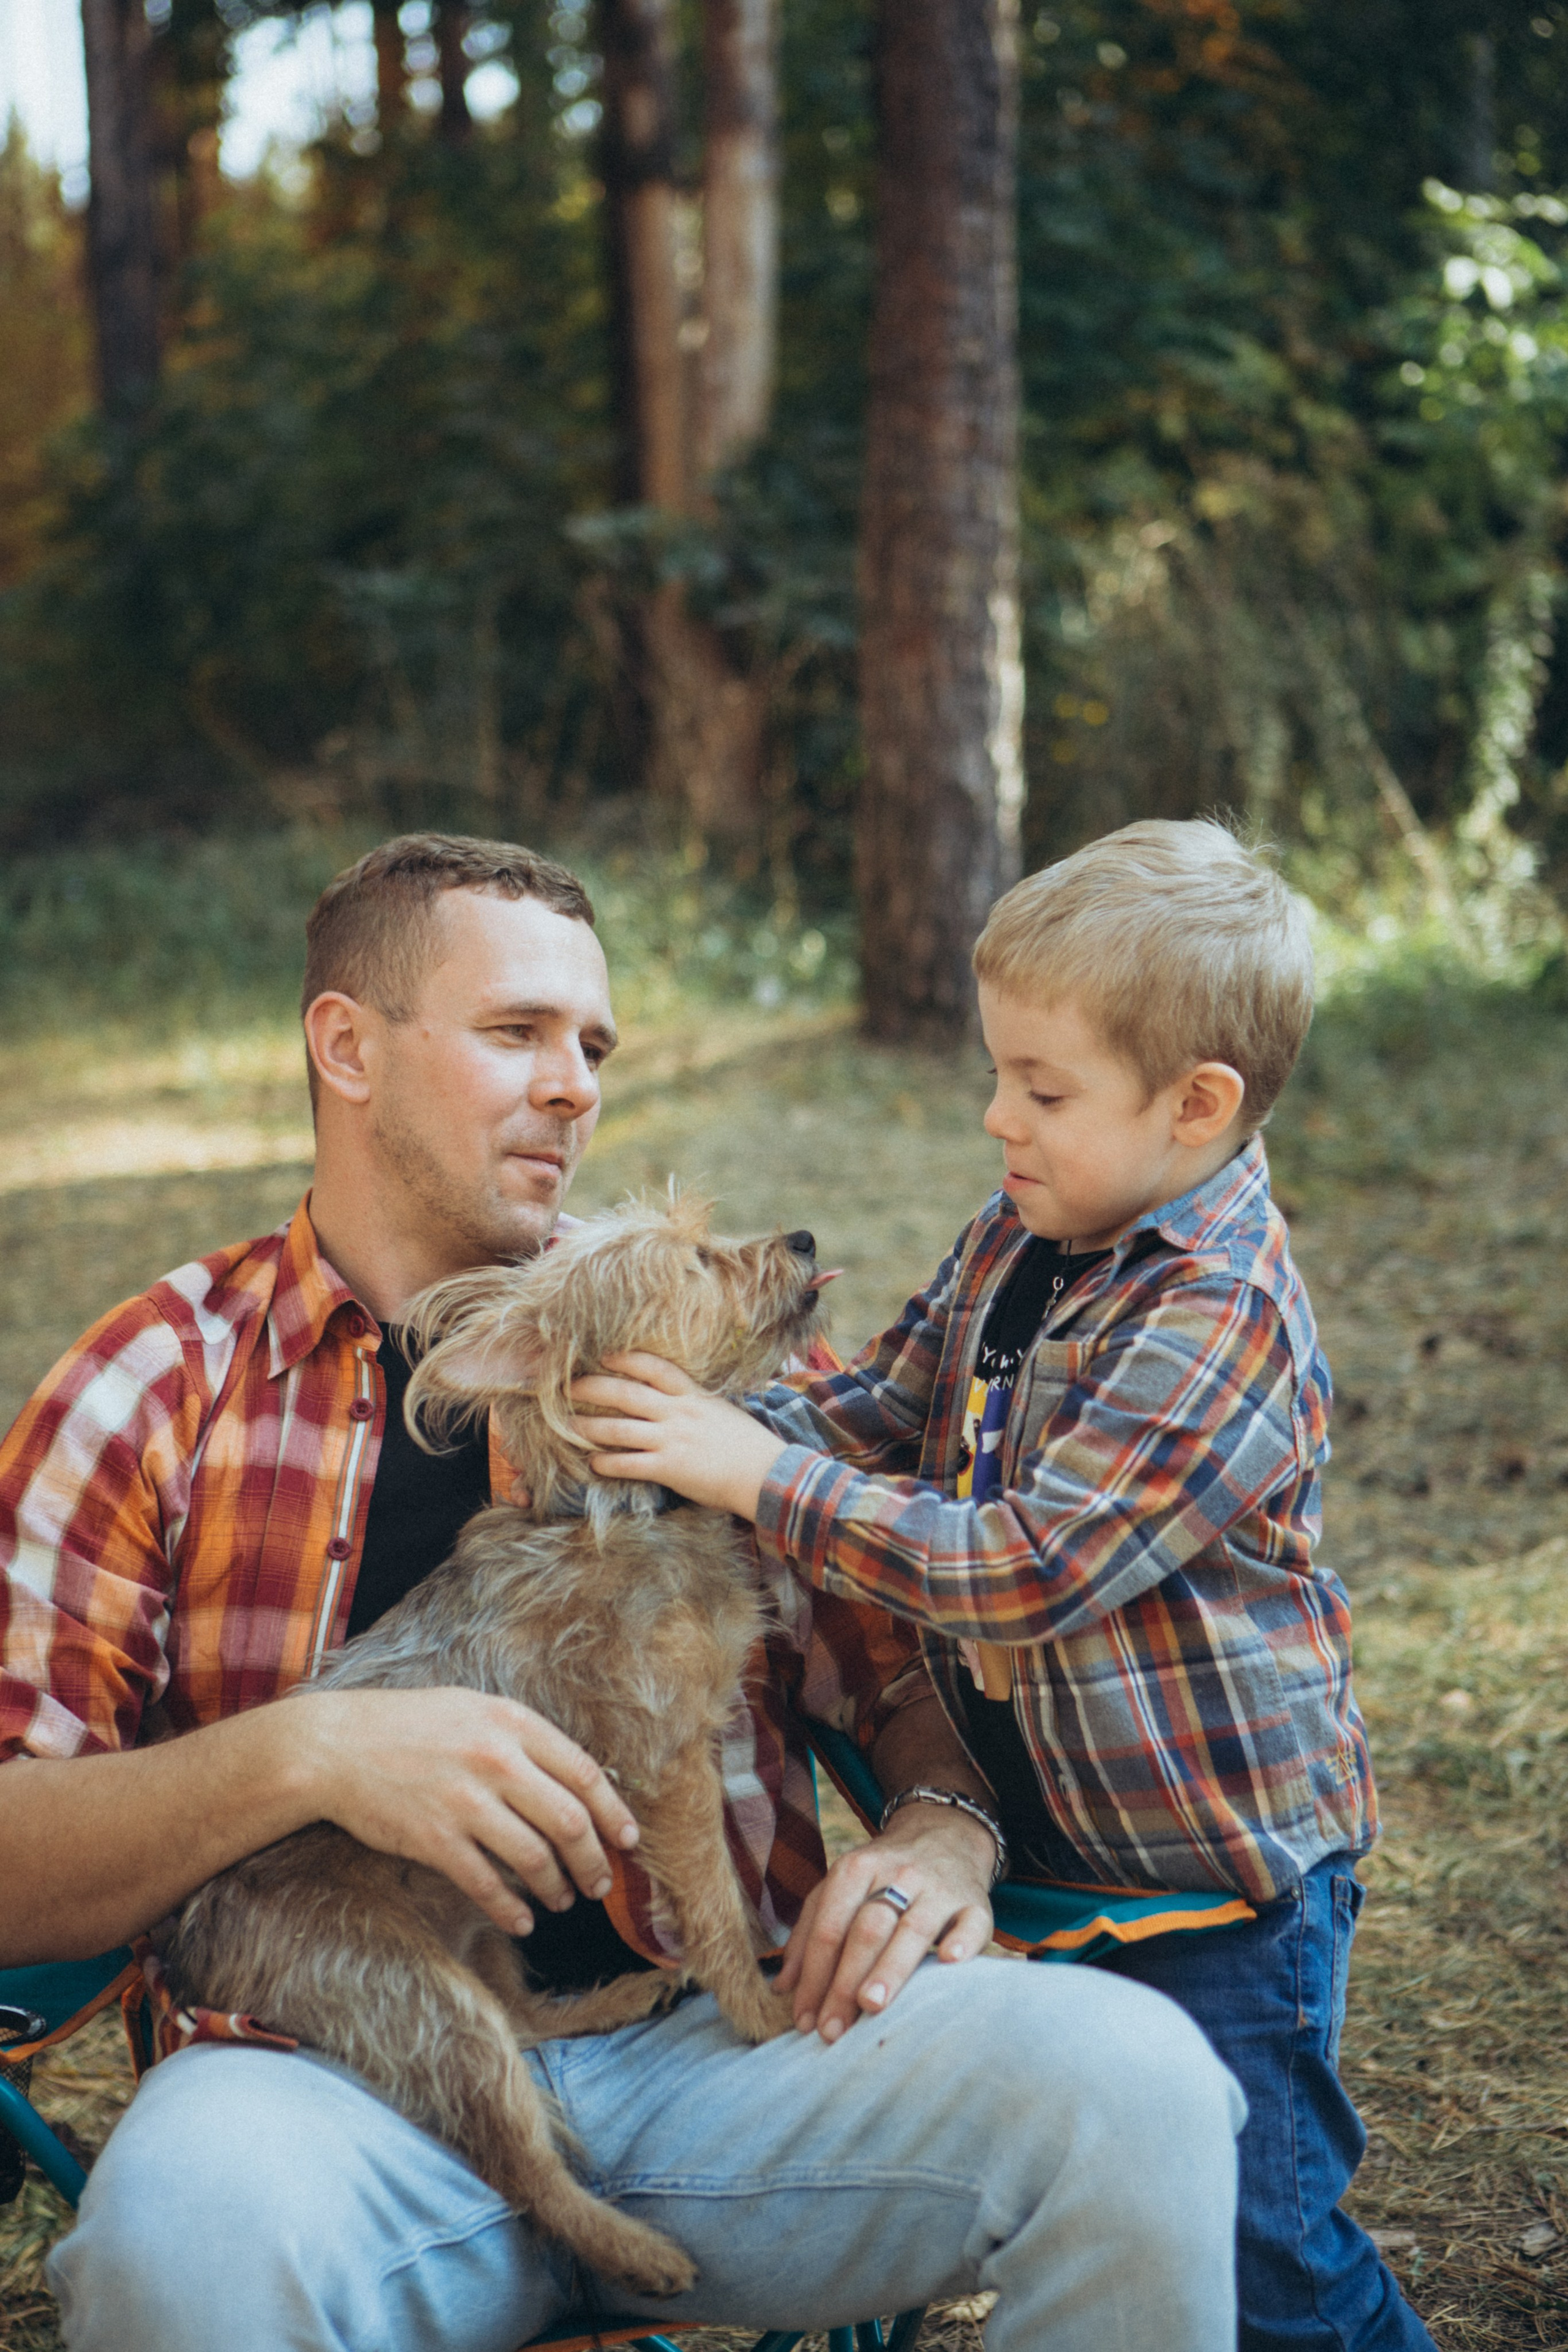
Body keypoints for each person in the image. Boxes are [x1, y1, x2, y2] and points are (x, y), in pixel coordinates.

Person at [0, 832, 1244, 2352]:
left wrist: (942, 1835)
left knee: (1146, 2089)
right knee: (176, 2236)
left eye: (592, 1045)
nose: (576, 1083)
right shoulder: (159, 1384)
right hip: (338, 2085)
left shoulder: (689, 1337)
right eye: (515, 1033)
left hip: (729, 2050)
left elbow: (906, 1673)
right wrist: (301, 1753)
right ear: (346, 1048)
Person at [571, 819, 1438, 2352]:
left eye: (1040, 1091)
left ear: (1196, 1106)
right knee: (1118, 2187)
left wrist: (753, 1476)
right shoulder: (1024, 1234)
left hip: (1213, 1880)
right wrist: (677, 1440)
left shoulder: (1219, 1316)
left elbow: (1026, 1572)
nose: (996, 1119)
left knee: (1262, 2252)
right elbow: (881, 1409)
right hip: (1041, 1847)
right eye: (996, 1076)